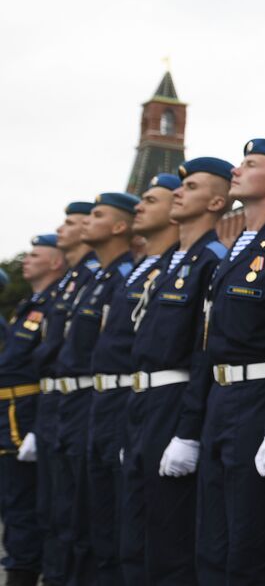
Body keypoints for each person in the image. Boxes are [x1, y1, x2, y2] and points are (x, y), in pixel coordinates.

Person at [182, 139, 265, 585]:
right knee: (211, 538)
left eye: (250, 164)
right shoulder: (236, 248)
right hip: (221, 397)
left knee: (248, 539)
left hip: (256, 399)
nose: (236, 169)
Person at [128, 158, 231, 585]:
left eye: (189, 187)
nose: (178, 193)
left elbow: (202, 351)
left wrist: (187, 429)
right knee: (135, 536)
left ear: (216, 201)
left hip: (174, 402)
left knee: (169, 540)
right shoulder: (169, 263)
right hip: (141, 404)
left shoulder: (212, 259)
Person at [88, 173, 181, 584]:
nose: (140, 206)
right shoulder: (139, 271)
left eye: (150, 199)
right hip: (118, 402)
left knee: (152, 532)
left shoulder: (189, 263)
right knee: (104, 523)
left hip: (153, 401)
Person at [55, 191, 138, 584]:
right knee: (75, 514)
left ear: (121, 226)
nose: (86, 220)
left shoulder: (123, 275)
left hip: (109, 397)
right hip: (82, 401)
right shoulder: (98, 277)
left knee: (108, 521)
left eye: (97, 215)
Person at [31, 202, 99, 584]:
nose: (63, 229)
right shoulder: (75, 281)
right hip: (59, 401)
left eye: (73, 222)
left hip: (86, 399)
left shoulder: (106, 276)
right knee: (53, 509)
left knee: (78, 513)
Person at [1, 234, 68, 586]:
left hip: (26, 411)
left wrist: (37, 422)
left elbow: (51, 367)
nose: (26, 259)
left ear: (56, 262)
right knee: (13, 503)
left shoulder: (57, 302)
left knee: (23, 502)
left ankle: (23, 572)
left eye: (35, 254)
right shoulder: (29, 305)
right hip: (11, 410)